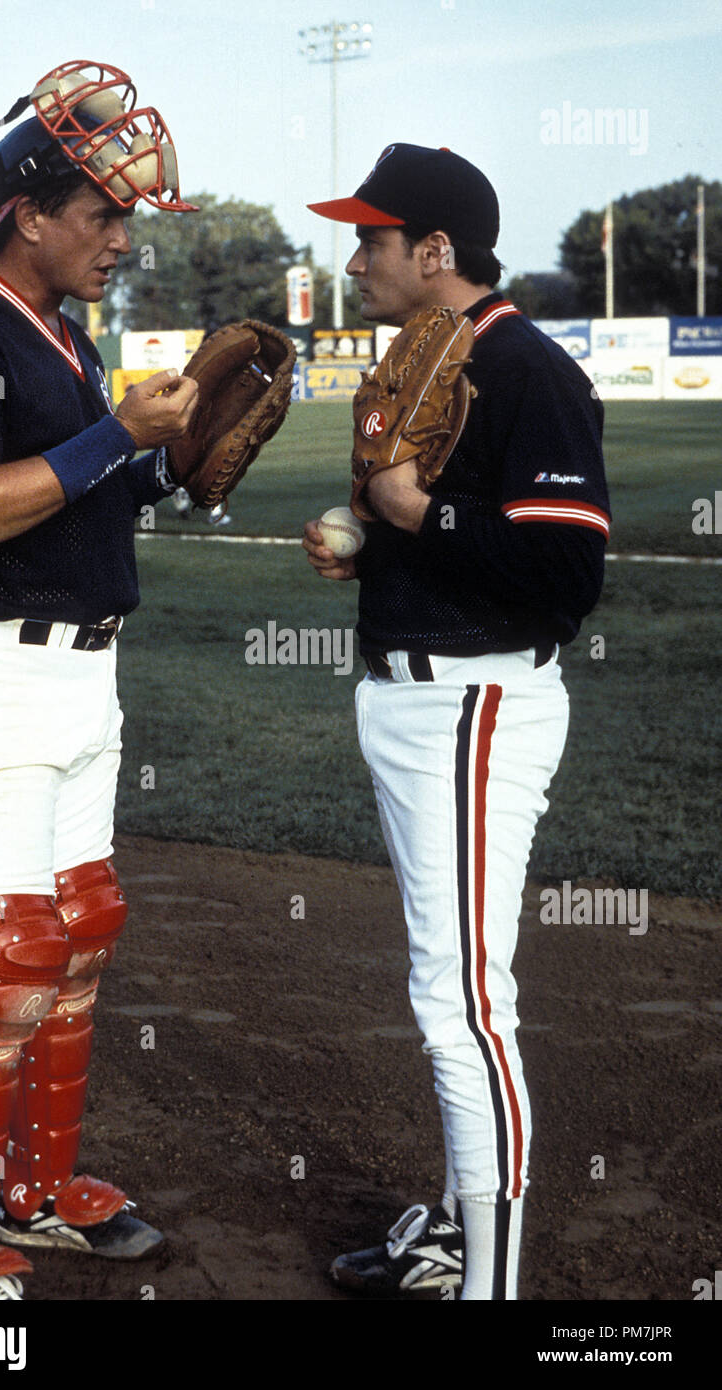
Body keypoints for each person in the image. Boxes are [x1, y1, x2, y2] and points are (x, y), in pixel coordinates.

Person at [0, 61, 199, 1301]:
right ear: (28, 212)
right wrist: (113, 435)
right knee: (5, 951)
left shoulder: (67, 340)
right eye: (101, 215)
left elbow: (97, 497)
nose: (119, 240)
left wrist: (177, 454)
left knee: (78, 933)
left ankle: (33, 1189)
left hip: (85, 674)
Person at [303, 144, 610, 1301]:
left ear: (436, 252)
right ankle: (447, 1237)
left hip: (476, 705)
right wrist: (371, 536)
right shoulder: (425, 355)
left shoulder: (526, 369)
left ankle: (490, 1286)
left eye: (372, 239)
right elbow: (436, 524)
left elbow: (565, 572)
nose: (355, 257)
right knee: (451, 987)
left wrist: (414, 518)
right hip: (415, 697)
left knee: (462, 1000)